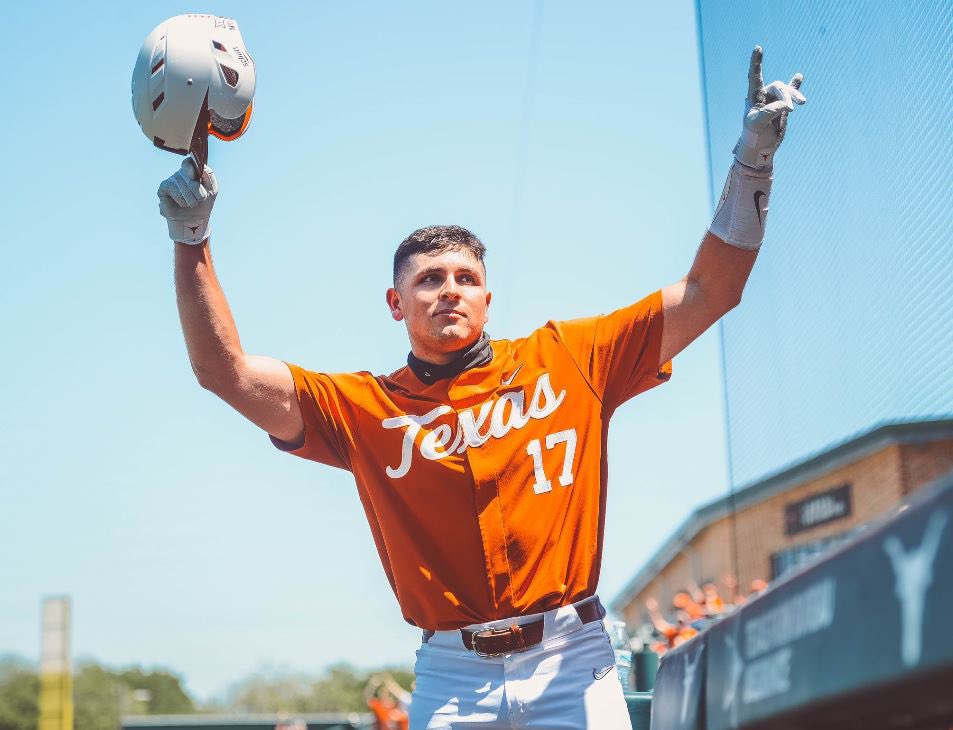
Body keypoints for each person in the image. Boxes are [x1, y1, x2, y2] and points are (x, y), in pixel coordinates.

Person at [155, 45, 804, 729]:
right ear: (394, 303)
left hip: (571, 659)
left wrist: (752, 161)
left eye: (464, 279)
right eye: (428, 280)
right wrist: (189, 238)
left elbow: (709, 291)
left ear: (488, 299)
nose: (448, 291)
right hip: (451, 676)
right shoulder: (361, 408)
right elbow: (222, 372)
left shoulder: (570, 357)